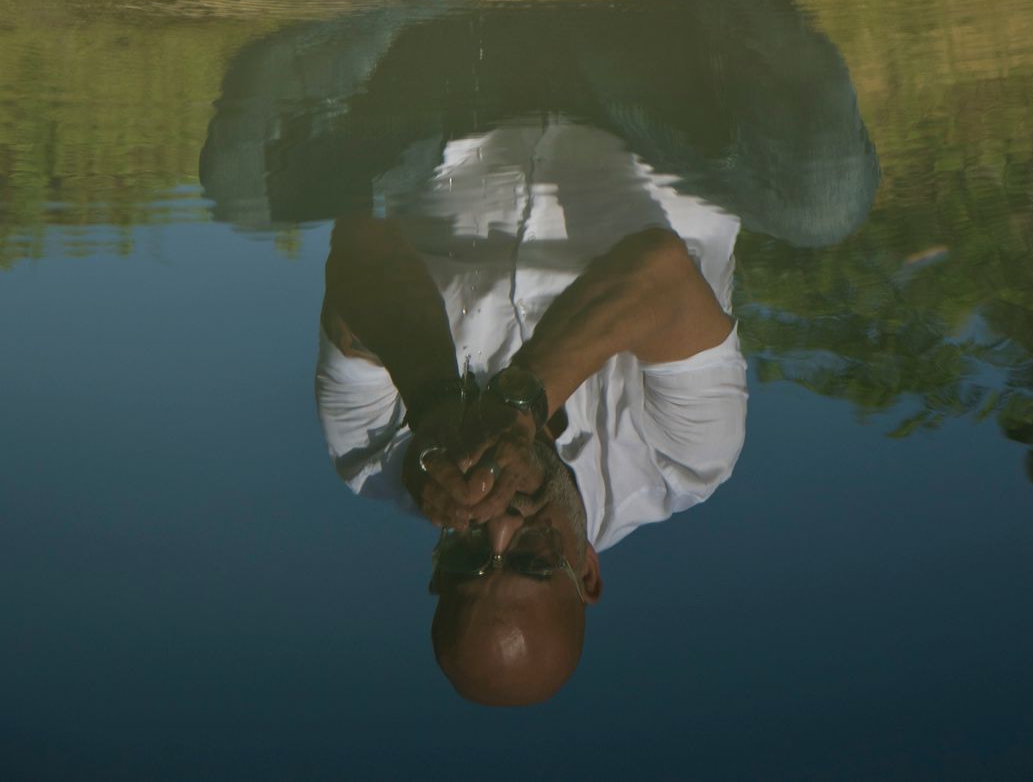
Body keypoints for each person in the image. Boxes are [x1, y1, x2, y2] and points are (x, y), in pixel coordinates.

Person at [315, 119, 750, 705]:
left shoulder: (369, 456)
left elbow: (358, 246)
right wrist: (521, 409)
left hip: (460, 122)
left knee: (242, 179)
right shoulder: (685, 462)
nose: (499, 521)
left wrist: (434, 398)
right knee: (827, 195)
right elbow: (661, 272)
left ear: (439, 568)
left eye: (470, 555)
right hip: (644, 127)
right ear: (586, 570)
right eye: (533, 556)